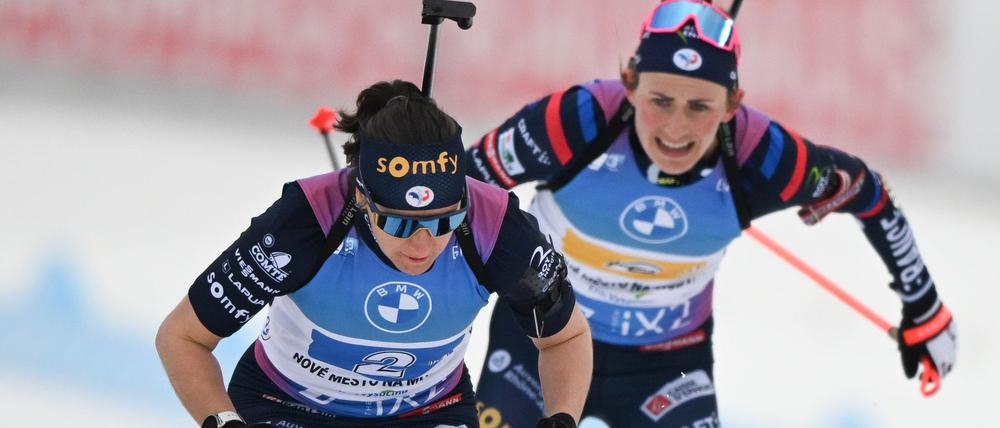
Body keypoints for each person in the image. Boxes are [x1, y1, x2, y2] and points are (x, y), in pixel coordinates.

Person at [467, 1, 957, 427]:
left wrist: (925, 306)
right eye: (660, 101)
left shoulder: (762, 155)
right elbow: (460, 190)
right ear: (631, 85)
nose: (676, 128)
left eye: (700, 106)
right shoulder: (579, 119)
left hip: (664, 369)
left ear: (732, 104)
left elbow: (868, 192)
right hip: (542, 342)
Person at [156, 79, 592, 428]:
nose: (423, 244)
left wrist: (561, 419)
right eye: (401, 223)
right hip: (286, 406)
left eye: (444, 221)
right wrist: (224, 422)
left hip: (428, 412)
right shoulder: (307, 221)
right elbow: (184, 336)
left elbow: (565, 337)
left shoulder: (495, 226)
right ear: (362, 197)